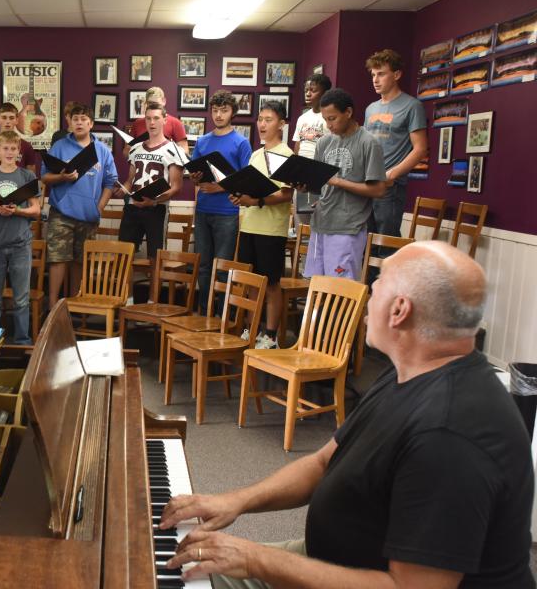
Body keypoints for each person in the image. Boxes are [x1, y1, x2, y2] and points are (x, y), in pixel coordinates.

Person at [160, 241, 535, 589]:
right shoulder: (411, 371)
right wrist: (236, 500)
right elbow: (325, 461)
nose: (368, 294)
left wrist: (256, 558)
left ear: (399, 310)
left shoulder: (449, 435)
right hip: (333, 560)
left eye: (376, 285)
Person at [301, 88, 385, 281]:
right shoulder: (324, 142)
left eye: (332, 118)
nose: (328, 125)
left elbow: (379, 189)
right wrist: (304, 185)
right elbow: (319, 184)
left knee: (339, 289)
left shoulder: (368, 143)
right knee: (315, 285)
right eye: (325, 119)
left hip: (348, 226)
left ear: (348, 112)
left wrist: (339, 181)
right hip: (321, 222)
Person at [228, 100, 294, 350]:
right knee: (252, 281)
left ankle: (270, 335)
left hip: (271, 230)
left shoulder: (287, 155)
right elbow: (248, 189)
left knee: (272, 283)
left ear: (282, 124)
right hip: (249, 226)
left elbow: (286, 195)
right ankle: (252, 328)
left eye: (269, 120)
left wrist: (256, 200)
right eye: (260, 119)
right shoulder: (256, 154)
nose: (262, 124)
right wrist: (238, 195)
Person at [43, 102, 117, 309]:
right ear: (70, 122)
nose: (79, 123)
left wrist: (99, 208)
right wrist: (62, 177)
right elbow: (45, 177)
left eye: (84, 119)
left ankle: (74, 304)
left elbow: (110, 182)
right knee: (58, 259)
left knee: (80, 261)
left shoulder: (102, 150)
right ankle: (52, 305)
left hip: (88, 216)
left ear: (91, 124)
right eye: (75, 119)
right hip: (61, 213)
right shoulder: (59, 147)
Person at [189, 90, 252, 312]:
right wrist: (195, 177)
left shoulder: (241, 142)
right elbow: (195, 174)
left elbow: (246, 179)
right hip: (204, 209)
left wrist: (219, 186)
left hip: (227, 211)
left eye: (223, 110)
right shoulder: (203, 141)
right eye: (215, 110)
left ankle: (221, 315)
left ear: (232, 112)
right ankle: (204, 311)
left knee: (222, 267)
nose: (218, 115)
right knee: (204, 266)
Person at [0, 130, 41, 345]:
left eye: (14, 149)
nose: (10, 152)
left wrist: (17, 211)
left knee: (21, 299)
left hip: (21, 244)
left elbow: (36, 210)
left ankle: (22, 340)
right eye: (6, 148)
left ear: (19, 151)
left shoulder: (27, 177)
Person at [116, 101, 184, 300]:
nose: (152, 122)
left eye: (156, 118)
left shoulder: (173, 149)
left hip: (156, 209)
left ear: (165, 120)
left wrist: (153, 201)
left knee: (155, 257)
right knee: (126, 254)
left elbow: (176, 186)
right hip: (133, 206)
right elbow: (130, 180)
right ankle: (127, 300)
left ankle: (152, 301)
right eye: (148, 118)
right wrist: (123, 191)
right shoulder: (136, 148)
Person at [363, 49, 429, 237]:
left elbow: (420, 148)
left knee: (385, 243)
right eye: (373, 75)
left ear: (397, 74)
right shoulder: (370, 109)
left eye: (381, 74)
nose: (375, 79)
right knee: (365, 244)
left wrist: (393, 174)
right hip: (367, 182)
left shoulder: (412, 106)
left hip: (391, 187)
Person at [292, 73, 331, 226]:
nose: (308, 93)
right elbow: (298, 146)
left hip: (319, 177)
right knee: (301, 226)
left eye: (313, 90)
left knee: (318, 223)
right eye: (306, 90)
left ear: (325, 93)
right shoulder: (302, 118)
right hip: (301, 178)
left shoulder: (328, 117)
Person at [0, 102, 40, 177]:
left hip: (19, 187)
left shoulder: (26, 147)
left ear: (17, 120)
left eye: (11, 118)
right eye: (4, 117)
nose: (7, 121)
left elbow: (31, 179)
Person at [126, 87, 189, 156]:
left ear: (164, 101)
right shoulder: (137, 123)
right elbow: (126, 151)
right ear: (146, 103)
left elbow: (185, 152)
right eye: (150, 103)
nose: (153, 107)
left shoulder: (176, 123)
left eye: (156, 104)